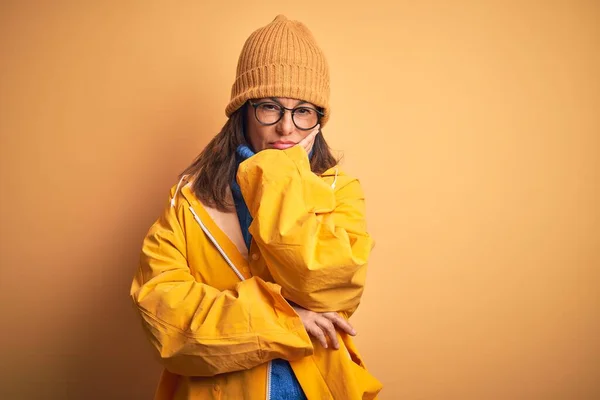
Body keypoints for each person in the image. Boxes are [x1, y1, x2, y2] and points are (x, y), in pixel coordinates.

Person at [130, 14, 382, 400]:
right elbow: (166, 321)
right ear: (243, 111)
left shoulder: (341, 191)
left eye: (303, 111)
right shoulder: (189, 201)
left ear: (318, 121)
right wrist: (285, 319)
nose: (286, 127)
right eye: (270, 107)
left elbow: (328, 284)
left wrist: (278, 172)